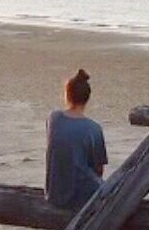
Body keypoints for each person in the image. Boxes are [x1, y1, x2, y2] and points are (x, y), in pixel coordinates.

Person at [45, 68, 108, 211]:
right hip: (82, 197)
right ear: (87, 98)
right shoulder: (94, 129)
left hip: (54, 193)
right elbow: (99, 169)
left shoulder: (53, 118)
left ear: (67, 95)